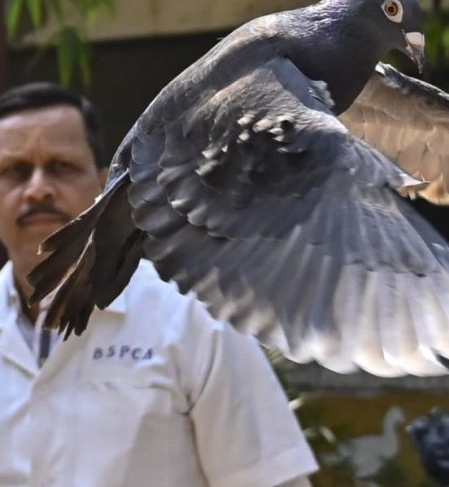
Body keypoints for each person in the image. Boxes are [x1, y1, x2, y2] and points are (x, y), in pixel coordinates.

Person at [0, 82, 318, 487]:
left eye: (61, 166)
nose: (39, 187)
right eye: (15, 171)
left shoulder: (194, 318)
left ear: (103, 185)